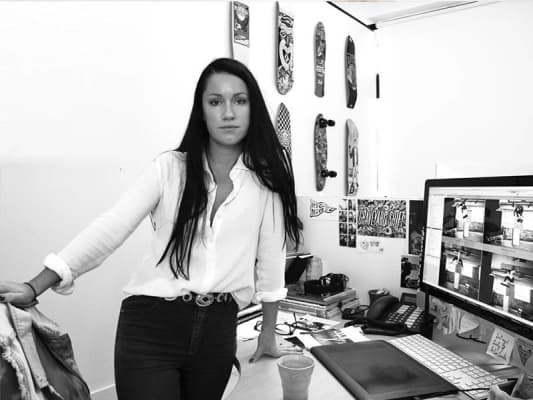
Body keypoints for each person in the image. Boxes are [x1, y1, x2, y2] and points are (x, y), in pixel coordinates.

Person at [0, 57, 302, 400]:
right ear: (202, 111)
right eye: (216, 102)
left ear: (252, 108)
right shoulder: (170, 169)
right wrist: (34, 285)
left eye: (240, 100)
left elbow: (271, 260)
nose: (228, 112)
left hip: (217, 332)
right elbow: (112, 227)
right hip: (151, 327)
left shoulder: (266, 182)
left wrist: (267, 333)